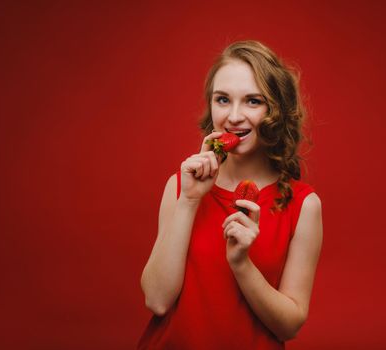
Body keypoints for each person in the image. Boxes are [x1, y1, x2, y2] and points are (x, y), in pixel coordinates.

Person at [138, 40, 323, 349]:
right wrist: (189, 201)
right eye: (222, 99)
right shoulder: (181, 187)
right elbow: (157, 300)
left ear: (275, 110)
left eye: (253, 101)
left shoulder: (303, 205)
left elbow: (289, 326)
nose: (234, 116)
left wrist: (241, 264)